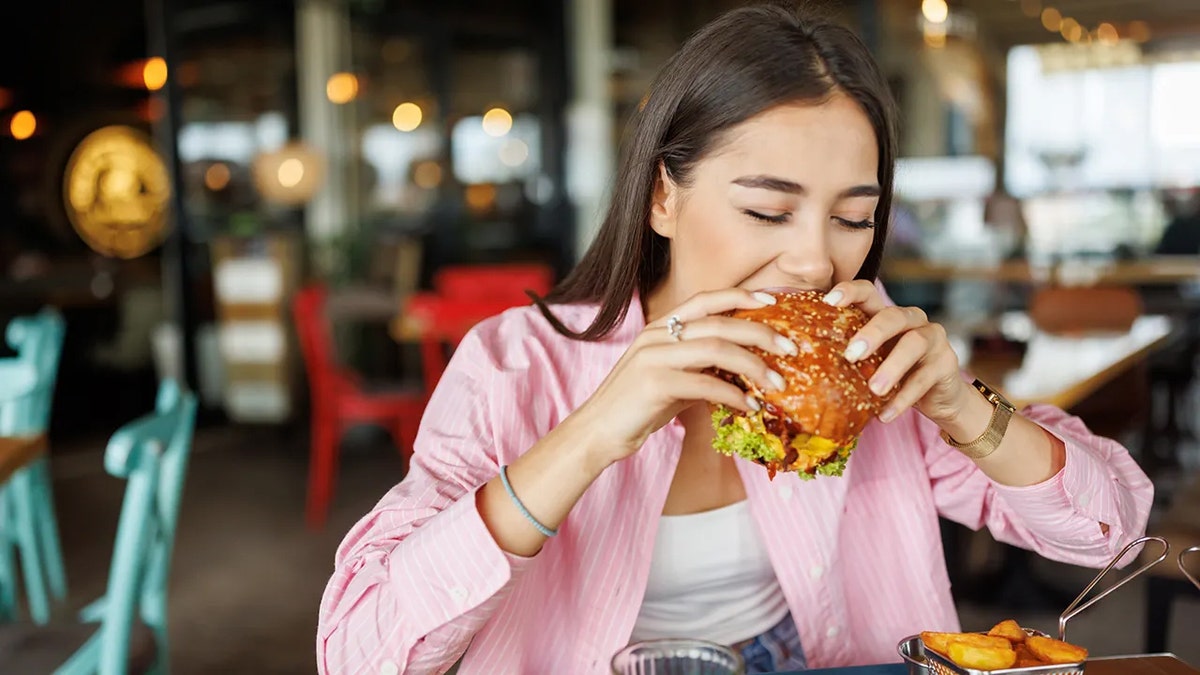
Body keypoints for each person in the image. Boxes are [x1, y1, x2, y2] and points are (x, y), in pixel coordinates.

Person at [316, 6, 1152, 674]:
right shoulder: (512, 363)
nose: (815, 257)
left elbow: (1109, 532)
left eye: (854, 217)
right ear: (662, 200)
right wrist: (591, 432)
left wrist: (963, 407)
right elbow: (360, 653)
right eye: (766, 209)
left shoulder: (868, 358)